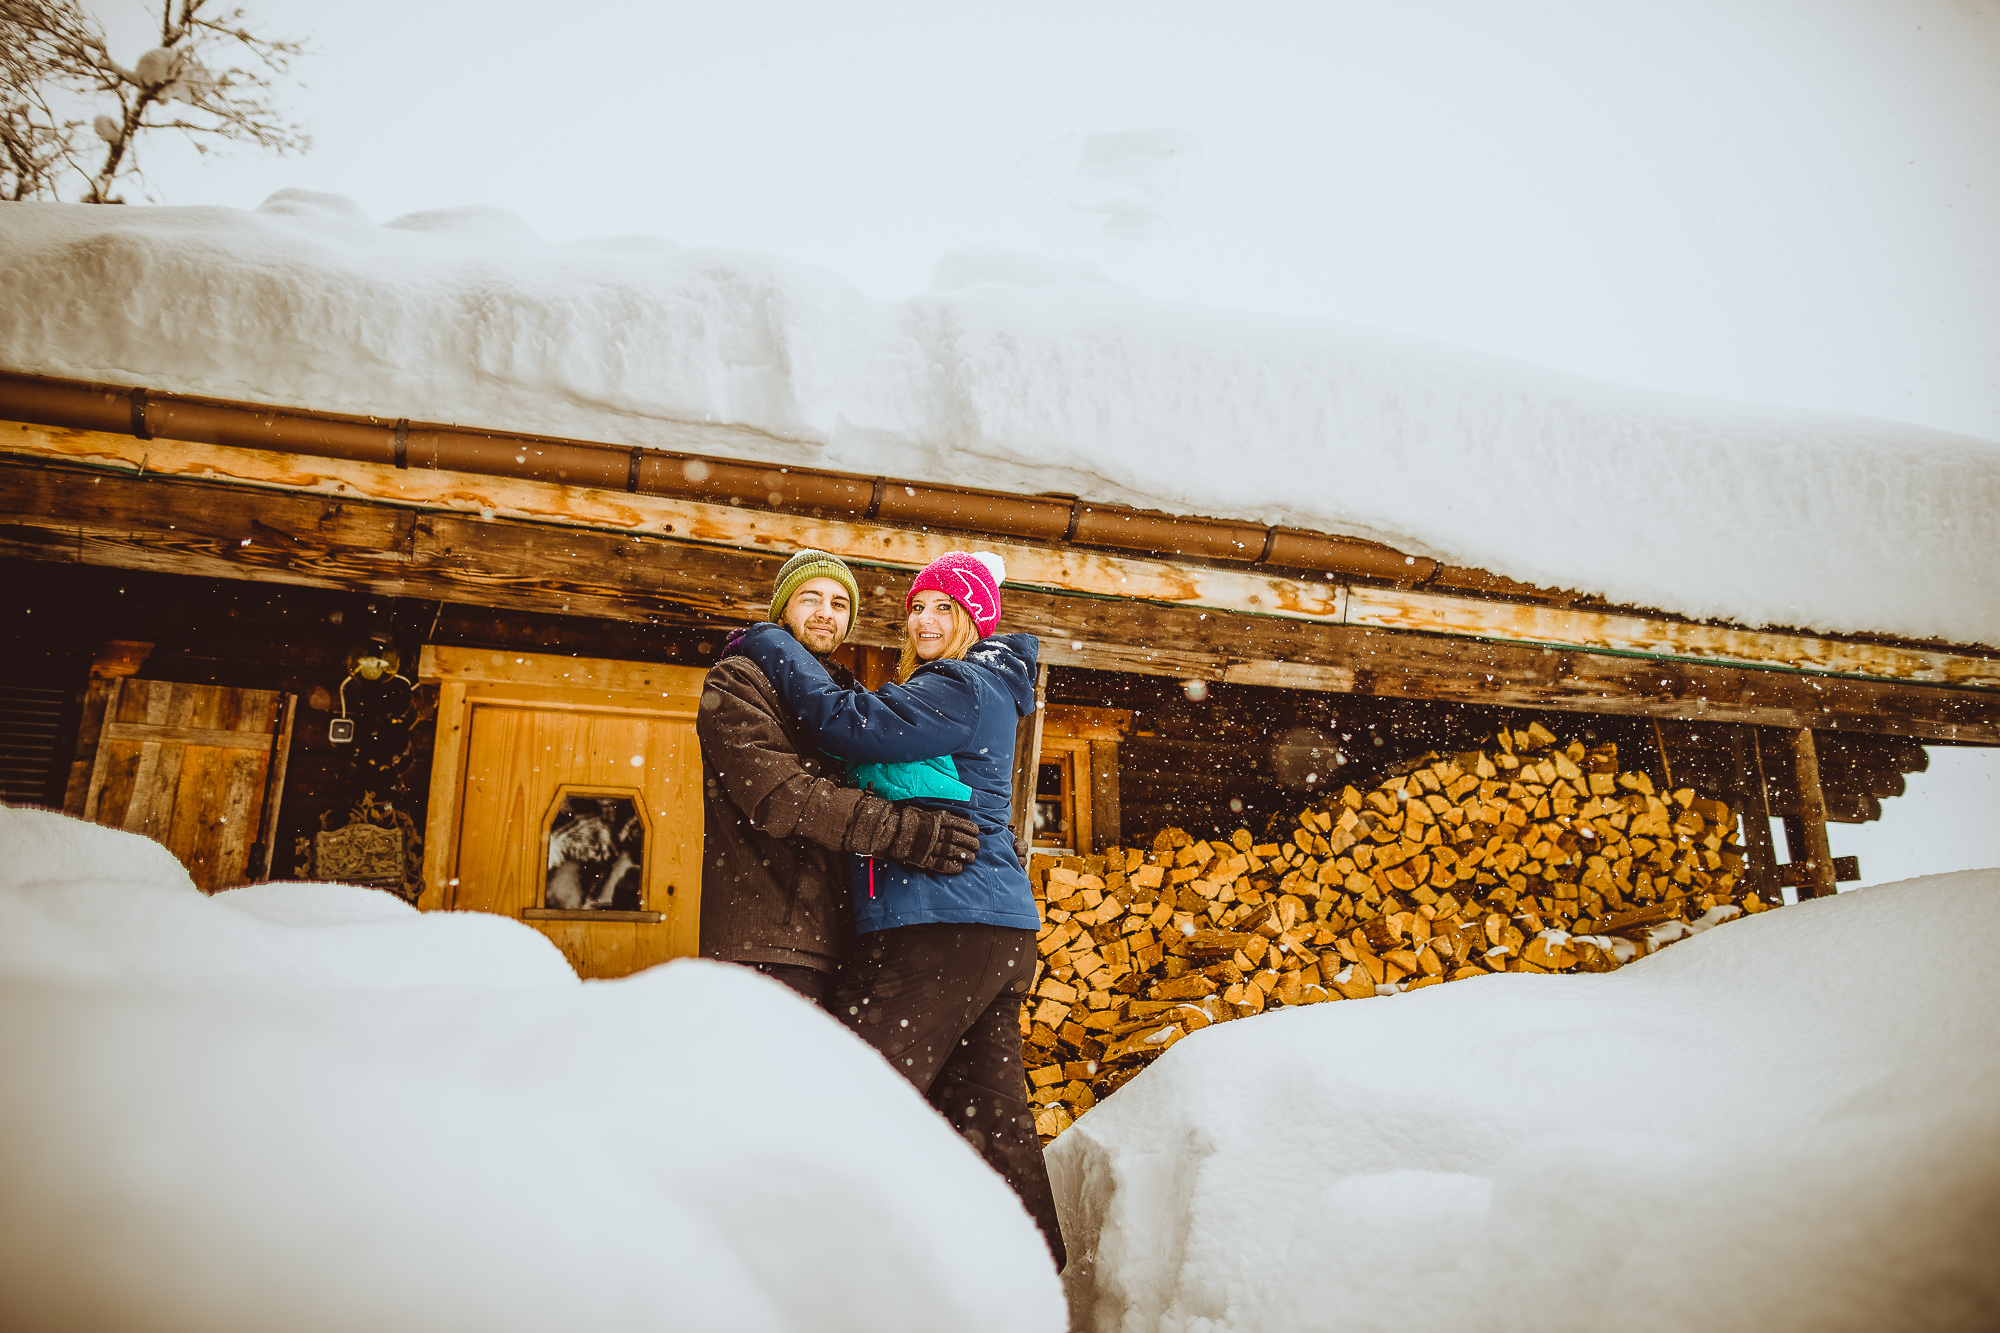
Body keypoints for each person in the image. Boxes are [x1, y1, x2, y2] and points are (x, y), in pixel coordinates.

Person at [729, 550, 1066, 1271]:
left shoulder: (963, 684)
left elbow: (846, 723)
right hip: (993, 929)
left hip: (940, 926)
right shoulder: (978, 685)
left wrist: (772, 641)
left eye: (946, 606)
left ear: (977, 617)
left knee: (853, 1092)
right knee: (991, 1122)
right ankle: (1031, 1281)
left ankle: (811, 1276)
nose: (926, 618)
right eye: (917, 606)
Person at [697, 548, 981, 1008]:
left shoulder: (849, 704)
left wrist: (982, 829)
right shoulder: (737, 682)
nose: (826, 614)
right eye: (811, 599)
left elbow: (901, 780)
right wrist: (903, 831)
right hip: (770, 939)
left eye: (839, 604)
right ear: (783, 609)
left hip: (851, 939)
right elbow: (781, 797)